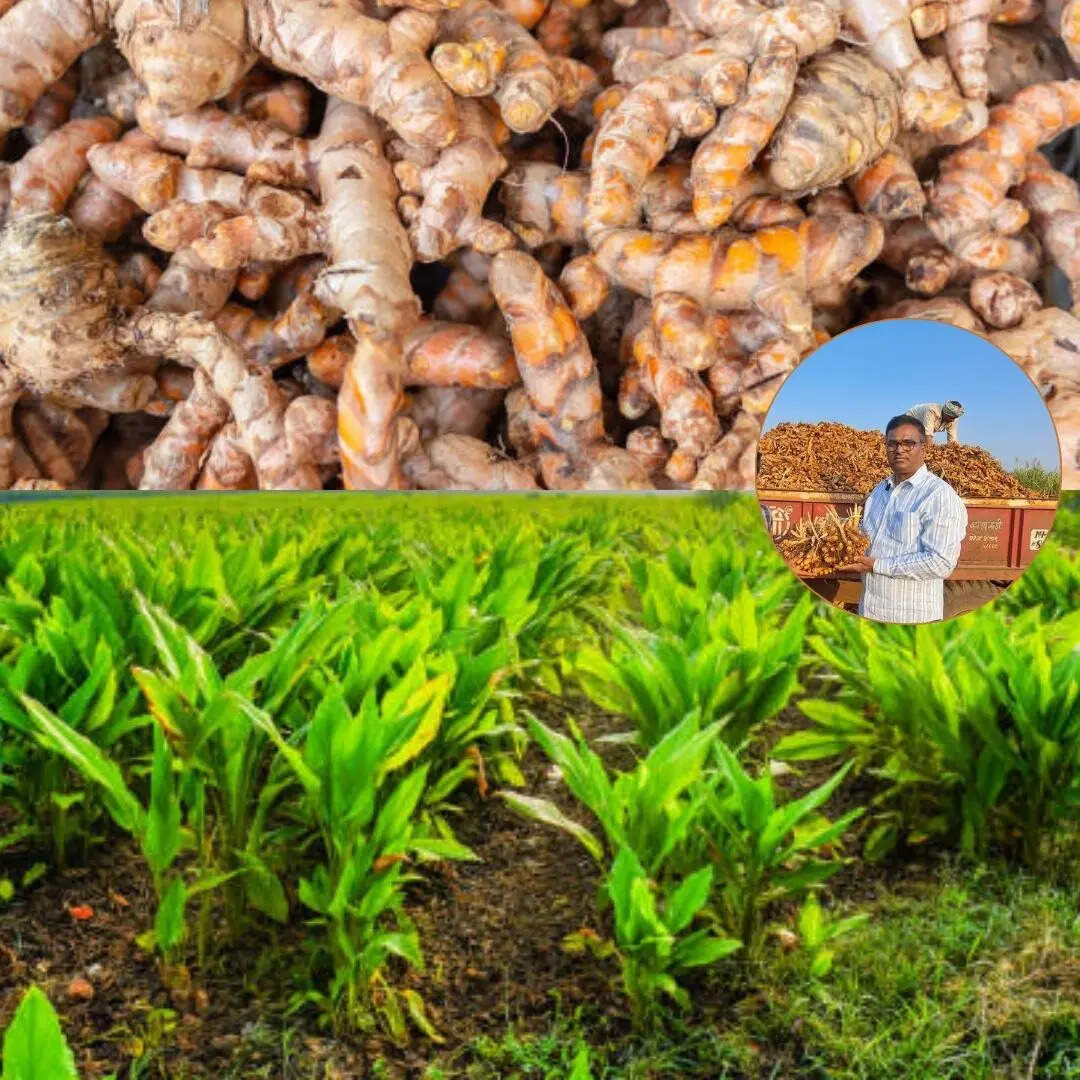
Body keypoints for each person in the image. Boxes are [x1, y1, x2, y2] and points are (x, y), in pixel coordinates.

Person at [837, 415, 967, 623]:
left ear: (924, 448)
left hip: (911, 619)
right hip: (870, 612)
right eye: (892, 444)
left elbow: (941, 562)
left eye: (909, 443)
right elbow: (866, 540)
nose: (899, 450)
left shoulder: (938, 496)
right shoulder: (880, 491)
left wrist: (877, 565)